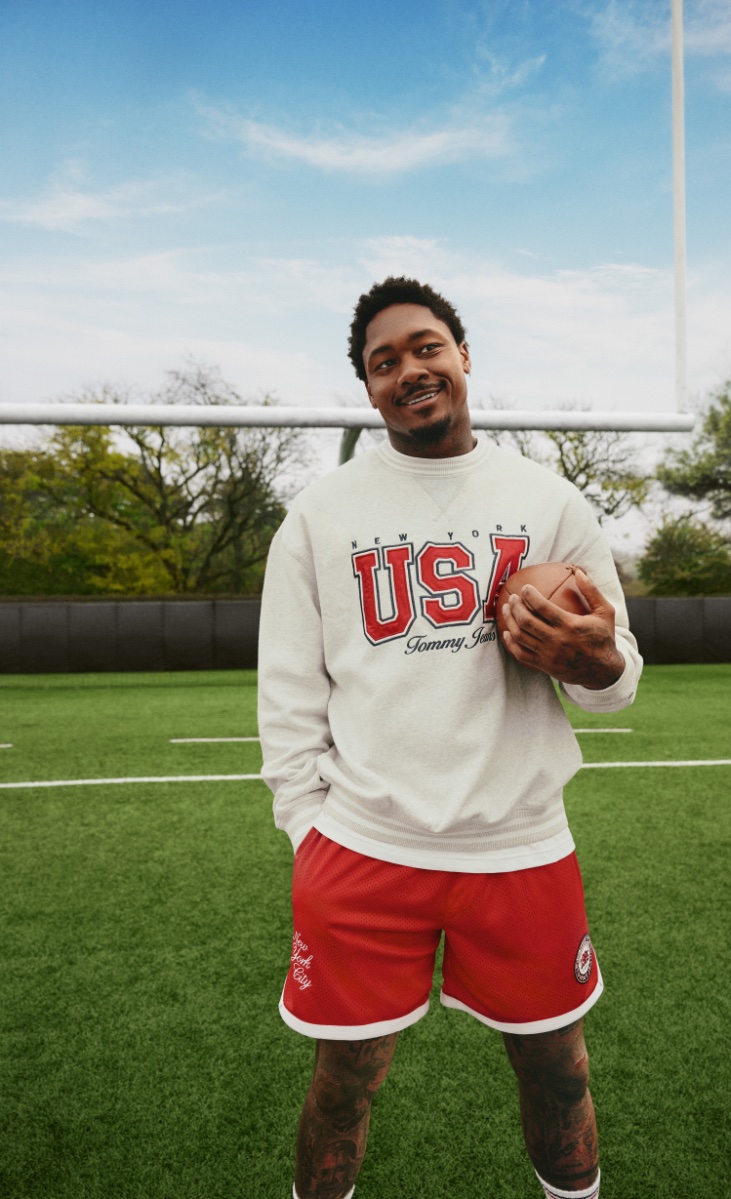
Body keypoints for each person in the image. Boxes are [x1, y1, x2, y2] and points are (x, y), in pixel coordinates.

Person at [258, 276, 642, 1199]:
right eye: (382, 362)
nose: (408, 371)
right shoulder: (319, 515)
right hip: (365, 848)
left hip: (519, 843)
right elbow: (287, 695)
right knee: (344, 1080)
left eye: (425, 346)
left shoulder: (551, 504)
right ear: (368, 389)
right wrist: (308, 827)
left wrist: (594, 664)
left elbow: (616, 680)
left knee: (559, 1066)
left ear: (463, 355)